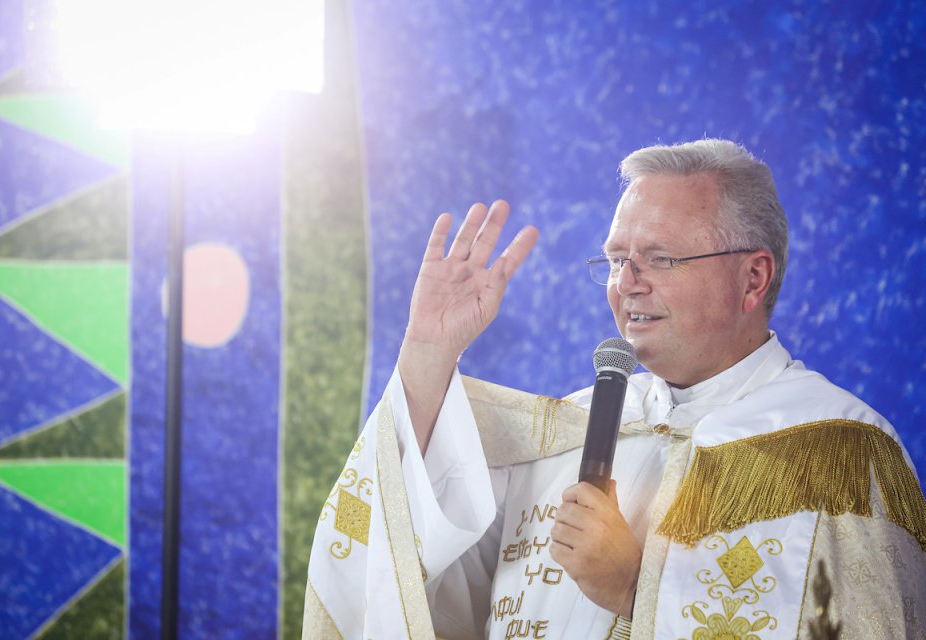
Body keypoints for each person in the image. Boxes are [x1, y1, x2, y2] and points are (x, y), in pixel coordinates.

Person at [304, 139, 926, 639]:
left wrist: (635, 589)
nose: (626, 283)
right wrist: (429, 354)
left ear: (753, 277)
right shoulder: (566, 431)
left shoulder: (841, 453)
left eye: (660, 259)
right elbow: (407, 575)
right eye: (614, 259)